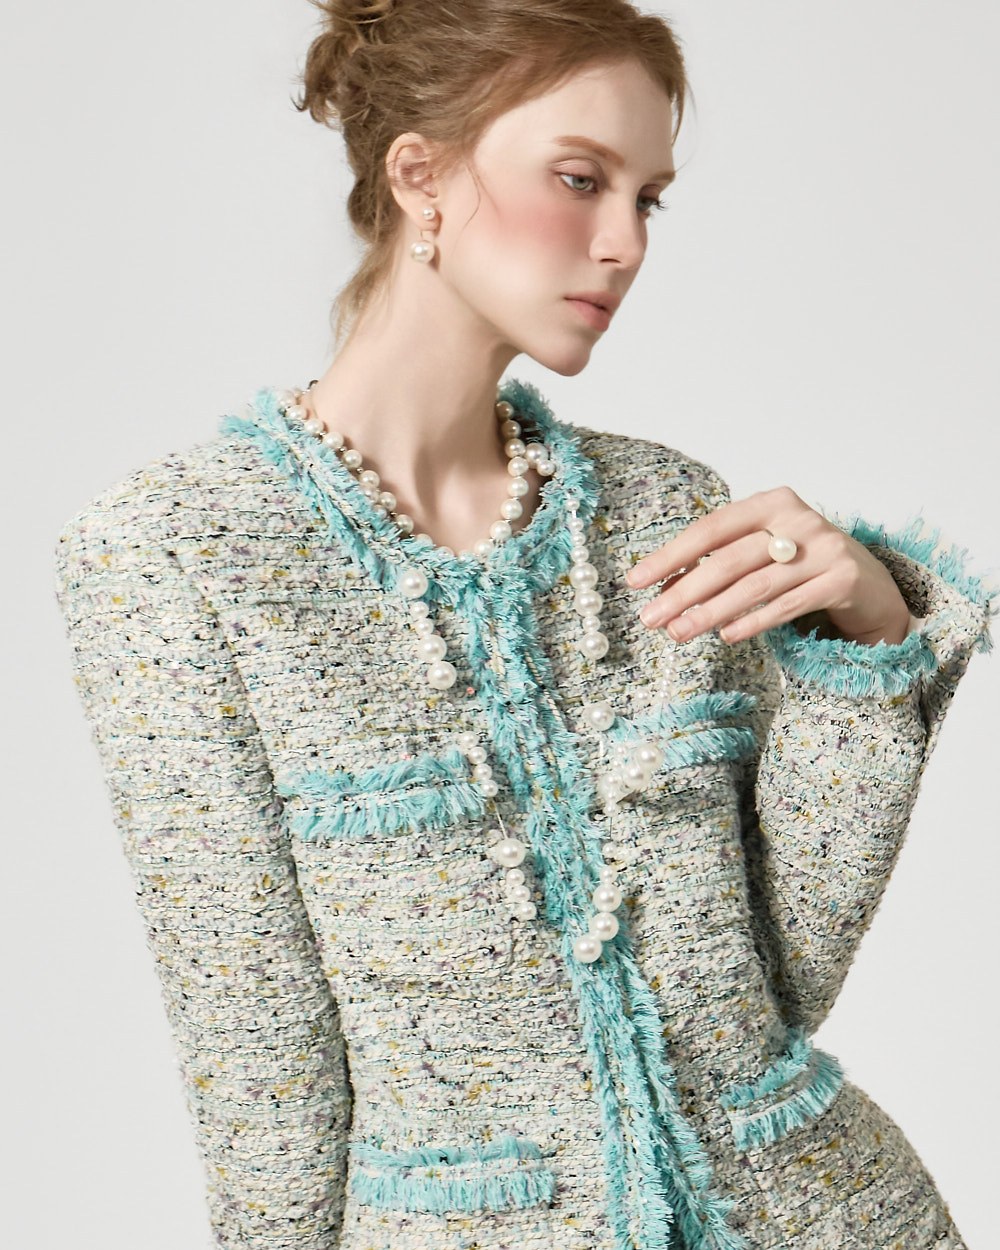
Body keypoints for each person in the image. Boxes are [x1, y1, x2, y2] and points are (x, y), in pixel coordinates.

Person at [53, 2, 995, 1247]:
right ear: (420, 176)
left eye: (647, 199)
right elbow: (259, 1066)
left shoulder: (665, 507)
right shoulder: (176, 554)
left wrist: (865, 648)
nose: (624, 243)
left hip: (823, 1213)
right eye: (579, 179)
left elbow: (773, 988)